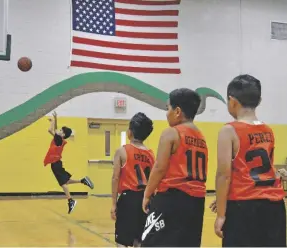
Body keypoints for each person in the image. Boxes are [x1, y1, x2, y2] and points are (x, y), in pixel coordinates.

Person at [213, 74, 286, 247]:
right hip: (274, 206)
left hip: (244, 207)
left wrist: (221, 214)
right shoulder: (268, 130)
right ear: (259, 100)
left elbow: (224, 175)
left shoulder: (229, 130)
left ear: (232, 101)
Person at [141, 88, 208, 247]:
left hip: (172, 198)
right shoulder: (202, 137)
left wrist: (147, 193)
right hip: (197, 202)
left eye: (167, 108)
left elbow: (159, 168)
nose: (166, 113)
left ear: (177, 111)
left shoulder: (171, 133)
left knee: (151, 243)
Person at [111, 112, 155, 247]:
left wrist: (113, 204)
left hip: (128, 199)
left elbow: (115, 178)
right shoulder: (151, 154)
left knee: (122, 241)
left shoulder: (122, 151)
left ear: (130, 132)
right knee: (140, 241)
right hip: (146, 200)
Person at [44, 111, 94, 214]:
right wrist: (56, 119)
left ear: (63, 134)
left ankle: (70, 200)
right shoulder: (59, 139)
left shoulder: (59, 139)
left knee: (63, 183)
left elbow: (50, 129)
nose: (59, 130)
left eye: (61, 130)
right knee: (66, 181)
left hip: (56, 164)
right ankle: (83, 180)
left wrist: (52, 121)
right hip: (57, 163)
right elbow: (55, 131)